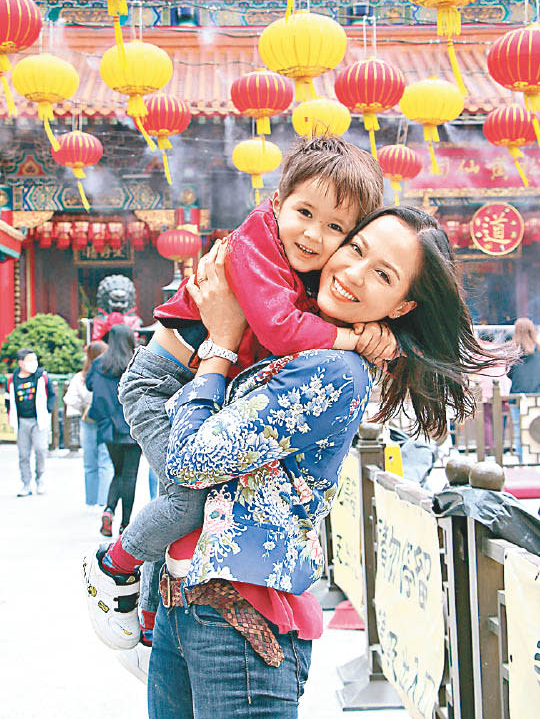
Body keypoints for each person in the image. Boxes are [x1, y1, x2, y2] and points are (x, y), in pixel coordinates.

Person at [85, 207, 510, 712]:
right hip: (185, 606)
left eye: (383, 275)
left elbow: (192, 460)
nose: (354, 272)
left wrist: (220, 344)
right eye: (355, 248)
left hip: (241, 624)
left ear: (401, 307)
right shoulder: (290, 329)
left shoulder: (331, 370)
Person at [82, 136, 397, 650]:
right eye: (304, 212)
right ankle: (113, 564)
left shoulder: (305, 269)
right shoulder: (254, 244)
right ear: (276, 202)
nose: (315, 235)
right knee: (187, 501)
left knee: (187, 497)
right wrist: (353, 337)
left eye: (336, 228)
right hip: (158, 386)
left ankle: (147, 621)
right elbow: (277, 329)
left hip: (191, 385)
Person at [85, 324, 142, 537]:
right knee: (130, 476)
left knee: (118, 472)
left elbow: (90, 386)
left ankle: (109, 511)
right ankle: (125, 524)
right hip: (132, 426)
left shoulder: (99, 363)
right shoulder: (135, 363)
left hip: (109, 428)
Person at [63, 340, 113, 510]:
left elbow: (70, 399)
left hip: (89, 421)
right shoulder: (108, 373)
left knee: (92, 462)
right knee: (103, 460)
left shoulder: (81, 376)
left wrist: (84, 406)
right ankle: (102, 501)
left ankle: (93, 501)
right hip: (104, 420)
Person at [6, 348, 56, 497]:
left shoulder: (42, 376)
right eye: (29, 360)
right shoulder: (12, 379)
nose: (33, 364)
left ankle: (40, 479)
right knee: (23, 454)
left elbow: (52, 395)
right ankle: (26, 483)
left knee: (41, 450)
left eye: (34, 360)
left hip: (38, 419)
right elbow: (8, 400)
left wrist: (47, 410)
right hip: (22, 421)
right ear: (21, 363)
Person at [508, 317, 540, 457]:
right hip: (537, 395)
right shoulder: (539, 351)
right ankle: (536, 458)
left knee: (519, 430)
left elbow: (509, 374)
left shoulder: (513, 352)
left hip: (517, 396)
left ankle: (522, 460)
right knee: (536, 429)